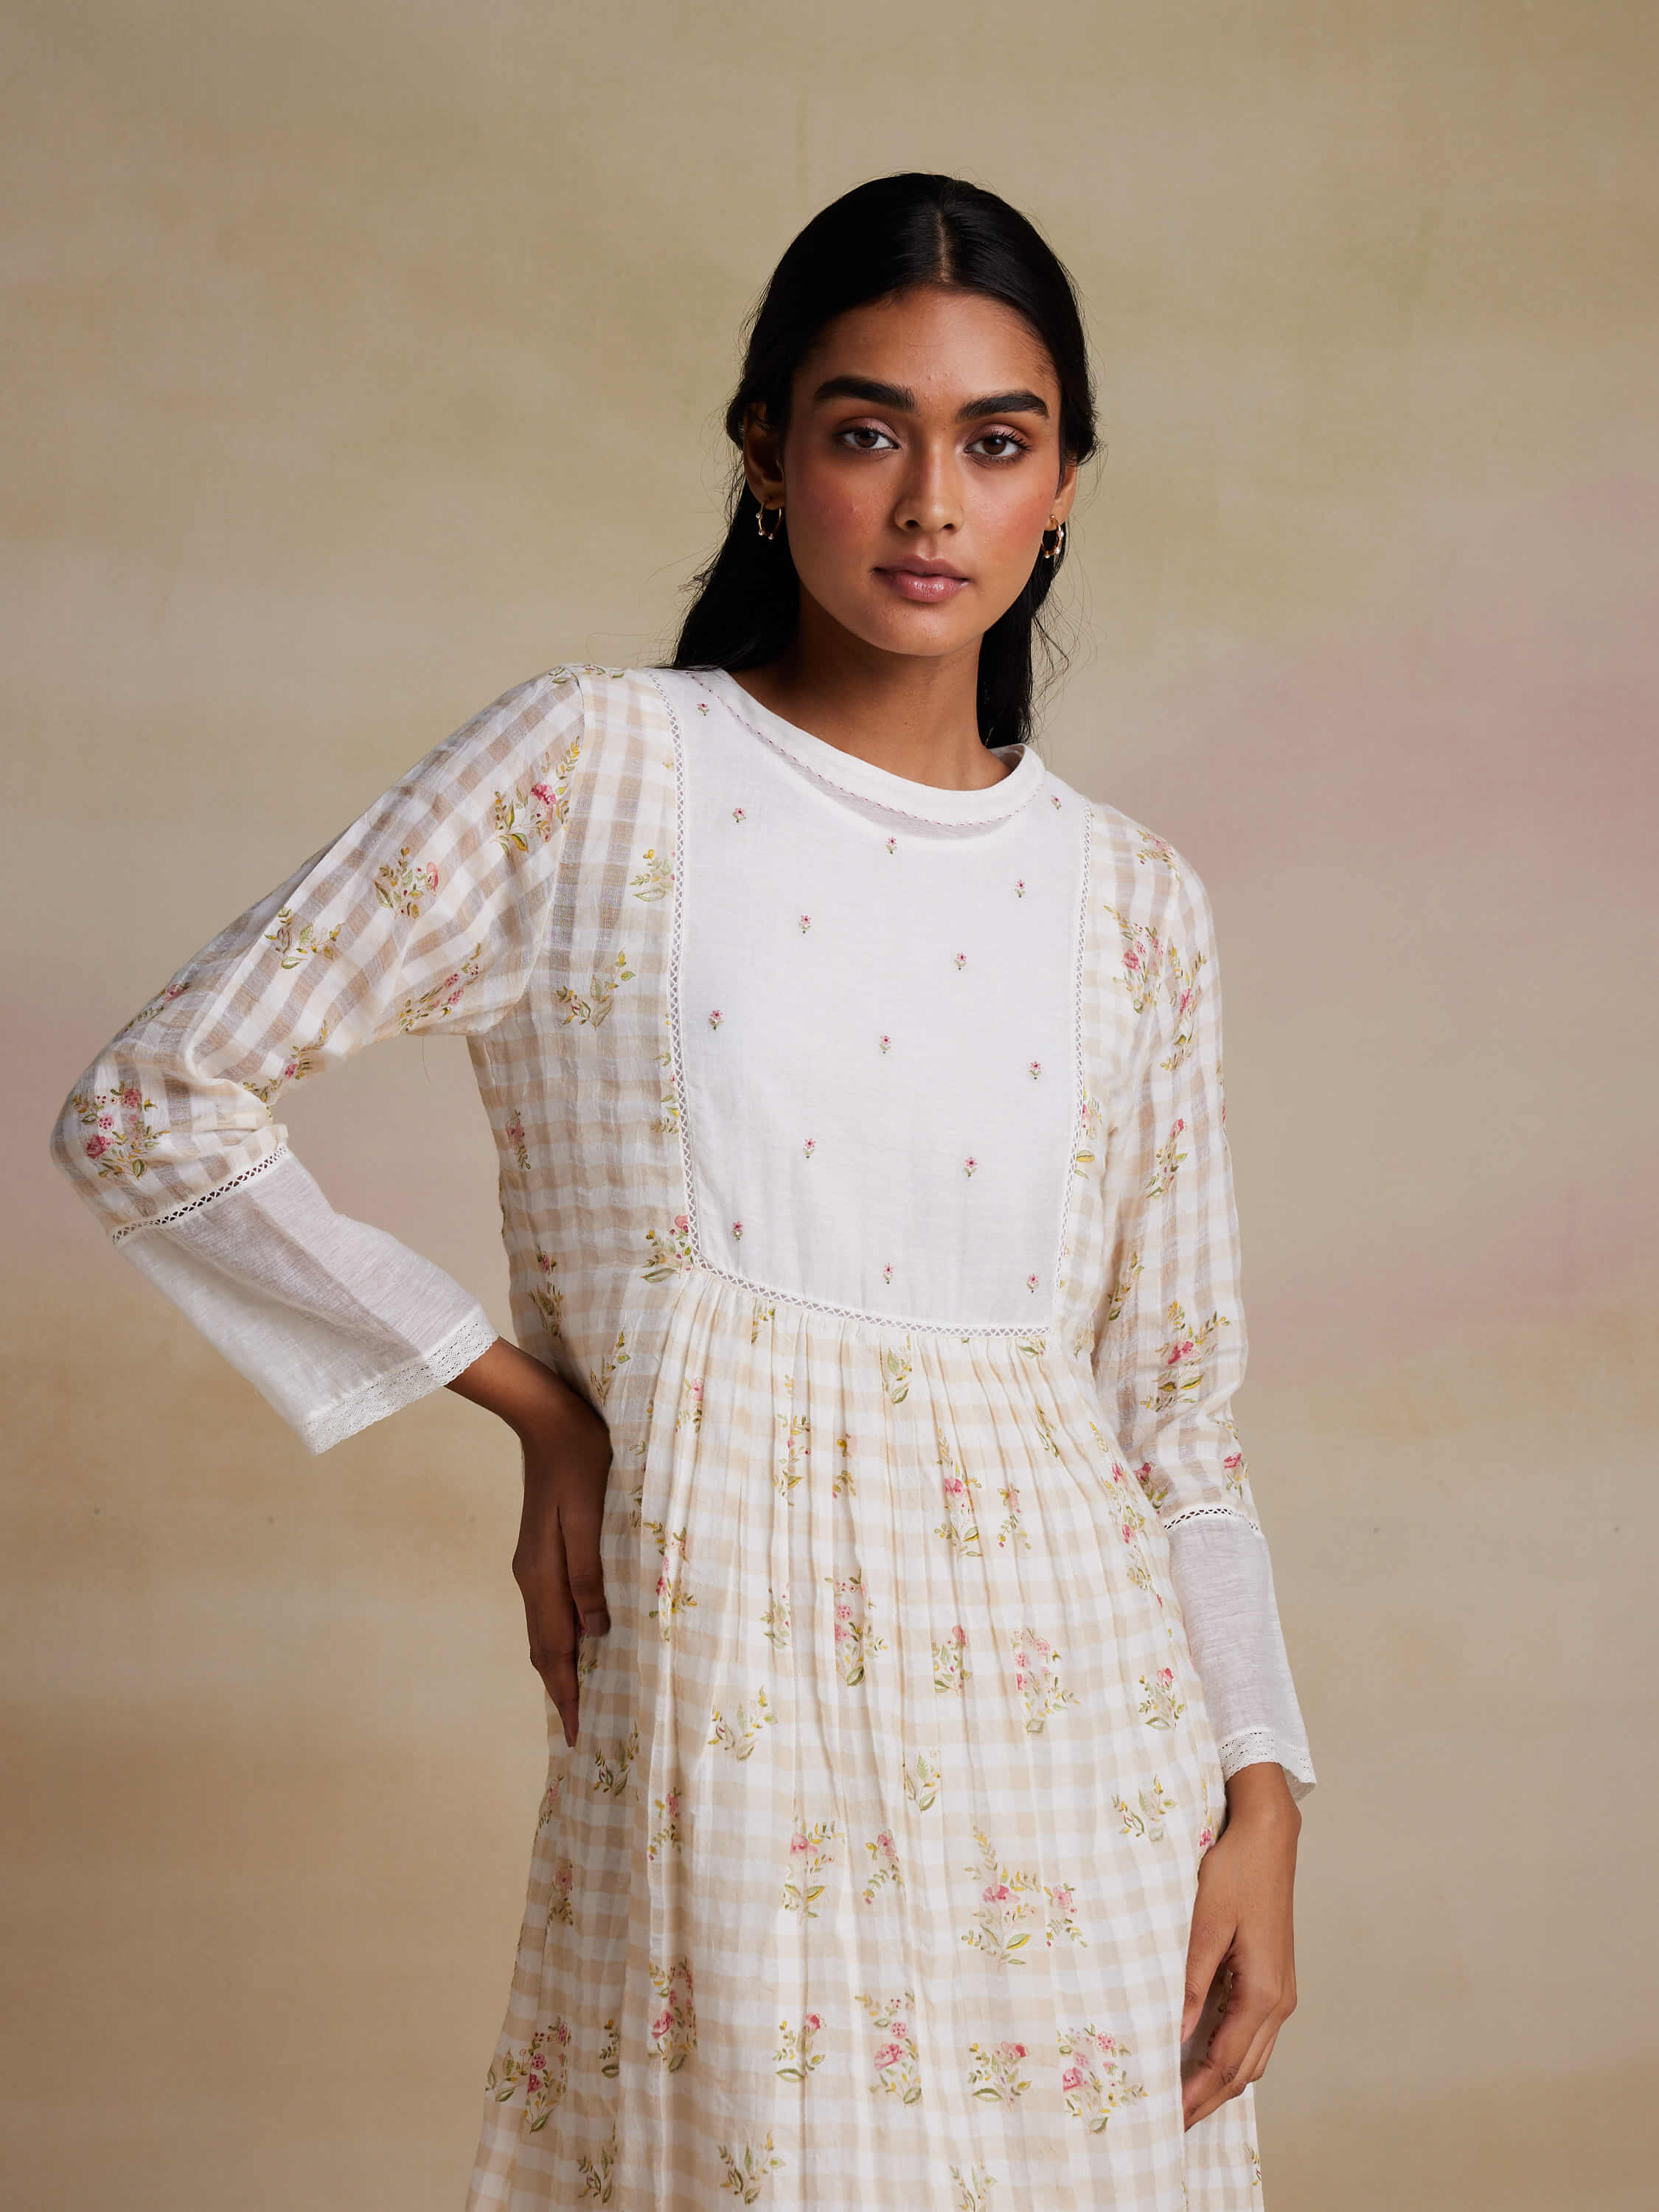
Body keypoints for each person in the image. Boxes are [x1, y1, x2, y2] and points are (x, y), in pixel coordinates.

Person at [49, 172, 1315, 2211]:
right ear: (764, 454)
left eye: (993, 443)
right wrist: (528, 1400)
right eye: (863, 428)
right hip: (748, 1728)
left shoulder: (1132, 904)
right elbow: (156, 1103)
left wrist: (1263, 1795)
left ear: (1061, 484)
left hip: (1098, 1765)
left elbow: (1173, 1413)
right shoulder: (598, 774)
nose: (928, 503)